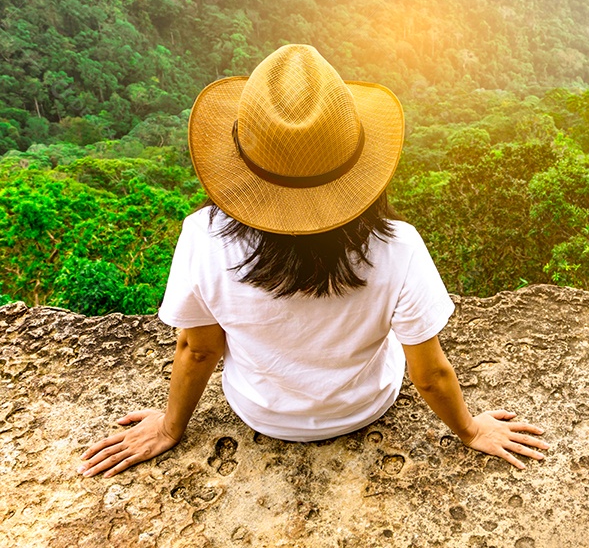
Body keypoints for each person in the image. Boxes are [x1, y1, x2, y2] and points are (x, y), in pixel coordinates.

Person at [78, 44, 549, 478]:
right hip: (364, 407)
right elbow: (429, 375)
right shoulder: (398, 246)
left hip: (260, 412)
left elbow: (198, 349)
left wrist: (169, 428)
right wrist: (470, 431)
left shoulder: (202, 237)